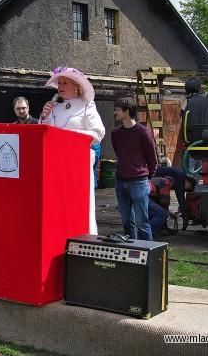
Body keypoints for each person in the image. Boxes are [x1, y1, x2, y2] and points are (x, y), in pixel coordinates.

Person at [39, 67, 105, 234]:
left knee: (76, 203)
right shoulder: (56, 108)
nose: (60, 86)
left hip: (77, 165)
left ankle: (82, 236)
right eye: (59, 82)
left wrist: (71, 136)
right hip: (55, 164)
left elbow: (98, 134)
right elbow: (44, 134)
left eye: (65, 82)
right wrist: (44, 118)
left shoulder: (87, 106)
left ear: (76, 85)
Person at [111, 97, 158, 241]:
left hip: (139, 181)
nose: (115, 113)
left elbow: (152, 157)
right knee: (127, 222)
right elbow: (119, 153)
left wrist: (146, 175)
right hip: (121, 181)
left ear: (127, 111)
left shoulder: (143, 132)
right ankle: (131, 252)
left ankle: (148, 255)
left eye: (118, 110)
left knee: (142, 222)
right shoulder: (116, 134)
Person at [154, 166, 197, 231]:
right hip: (154, 179)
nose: (184, 190)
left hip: (155, 175)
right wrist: (185, 217)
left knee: (162, 203)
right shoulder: (181, 178)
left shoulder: (180, 174)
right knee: (163, 203)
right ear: (189, 183)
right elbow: (181, 199)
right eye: (187, 189)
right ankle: (161, 227)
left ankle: (162, 226)